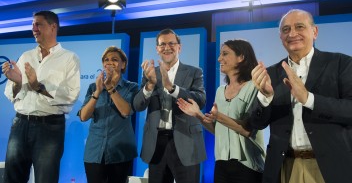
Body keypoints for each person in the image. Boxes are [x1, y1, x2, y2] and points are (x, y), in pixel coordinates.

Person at [250, 9, 352, 183]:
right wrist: (264, 97)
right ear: (281, 38)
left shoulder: (341, 63)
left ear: (315, 31)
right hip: (285, 167)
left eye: (299, 27)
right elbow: (256, 123)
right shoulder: (272, 74)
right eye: (286, 30)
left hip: (328, 167)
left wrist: (308, 99)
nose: (292, 33)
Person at [1, 11, 80, 183]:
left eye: (38, 24)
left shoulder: (69, 59)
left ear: (53, 27)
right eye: (33, 25)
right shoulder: (26, 56)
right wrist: (16, 82)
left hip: (49, 128)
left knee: (46, 179)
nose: (33, 29)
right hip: (20, 124)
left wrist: (37, 85)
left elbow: (70, 96)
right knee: (11, 179)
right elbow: (11, 95)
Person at [177, 39, 265, 183]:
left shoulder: (254, 87)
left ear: (241, 57)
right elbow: (219, 131)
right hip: (221, 164)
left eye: (225, 54)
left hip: (248, 165)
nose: (219, 59)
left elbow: (248, 130)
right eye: (220, 54)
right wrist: (198, 114)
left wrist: (218, 116)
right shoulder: (220, 91)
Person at [133, 28, 207, 183]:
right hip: (156, 143)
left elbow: (200, 99)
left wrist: (173, 88)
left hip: (185, 141)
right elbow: (137, 105)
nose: (167, 47)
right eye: (162, 44)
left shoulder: (194, 72)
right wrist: (149, 85)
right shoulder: (149, 73)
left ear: (179, 47)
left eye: (171, 43)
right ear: (157, 49)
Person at [78, 46, 138, 183]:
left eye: (115, 59)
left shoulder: (132, 87)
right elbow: (83, 116)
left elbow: (126, 111)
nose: (109, 62)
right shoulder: (93, 87)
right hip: (95, 152)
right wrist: (98, 92)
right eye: (106, 60)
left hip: (120, 152)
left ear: (123, 65)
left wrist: (110, 87)